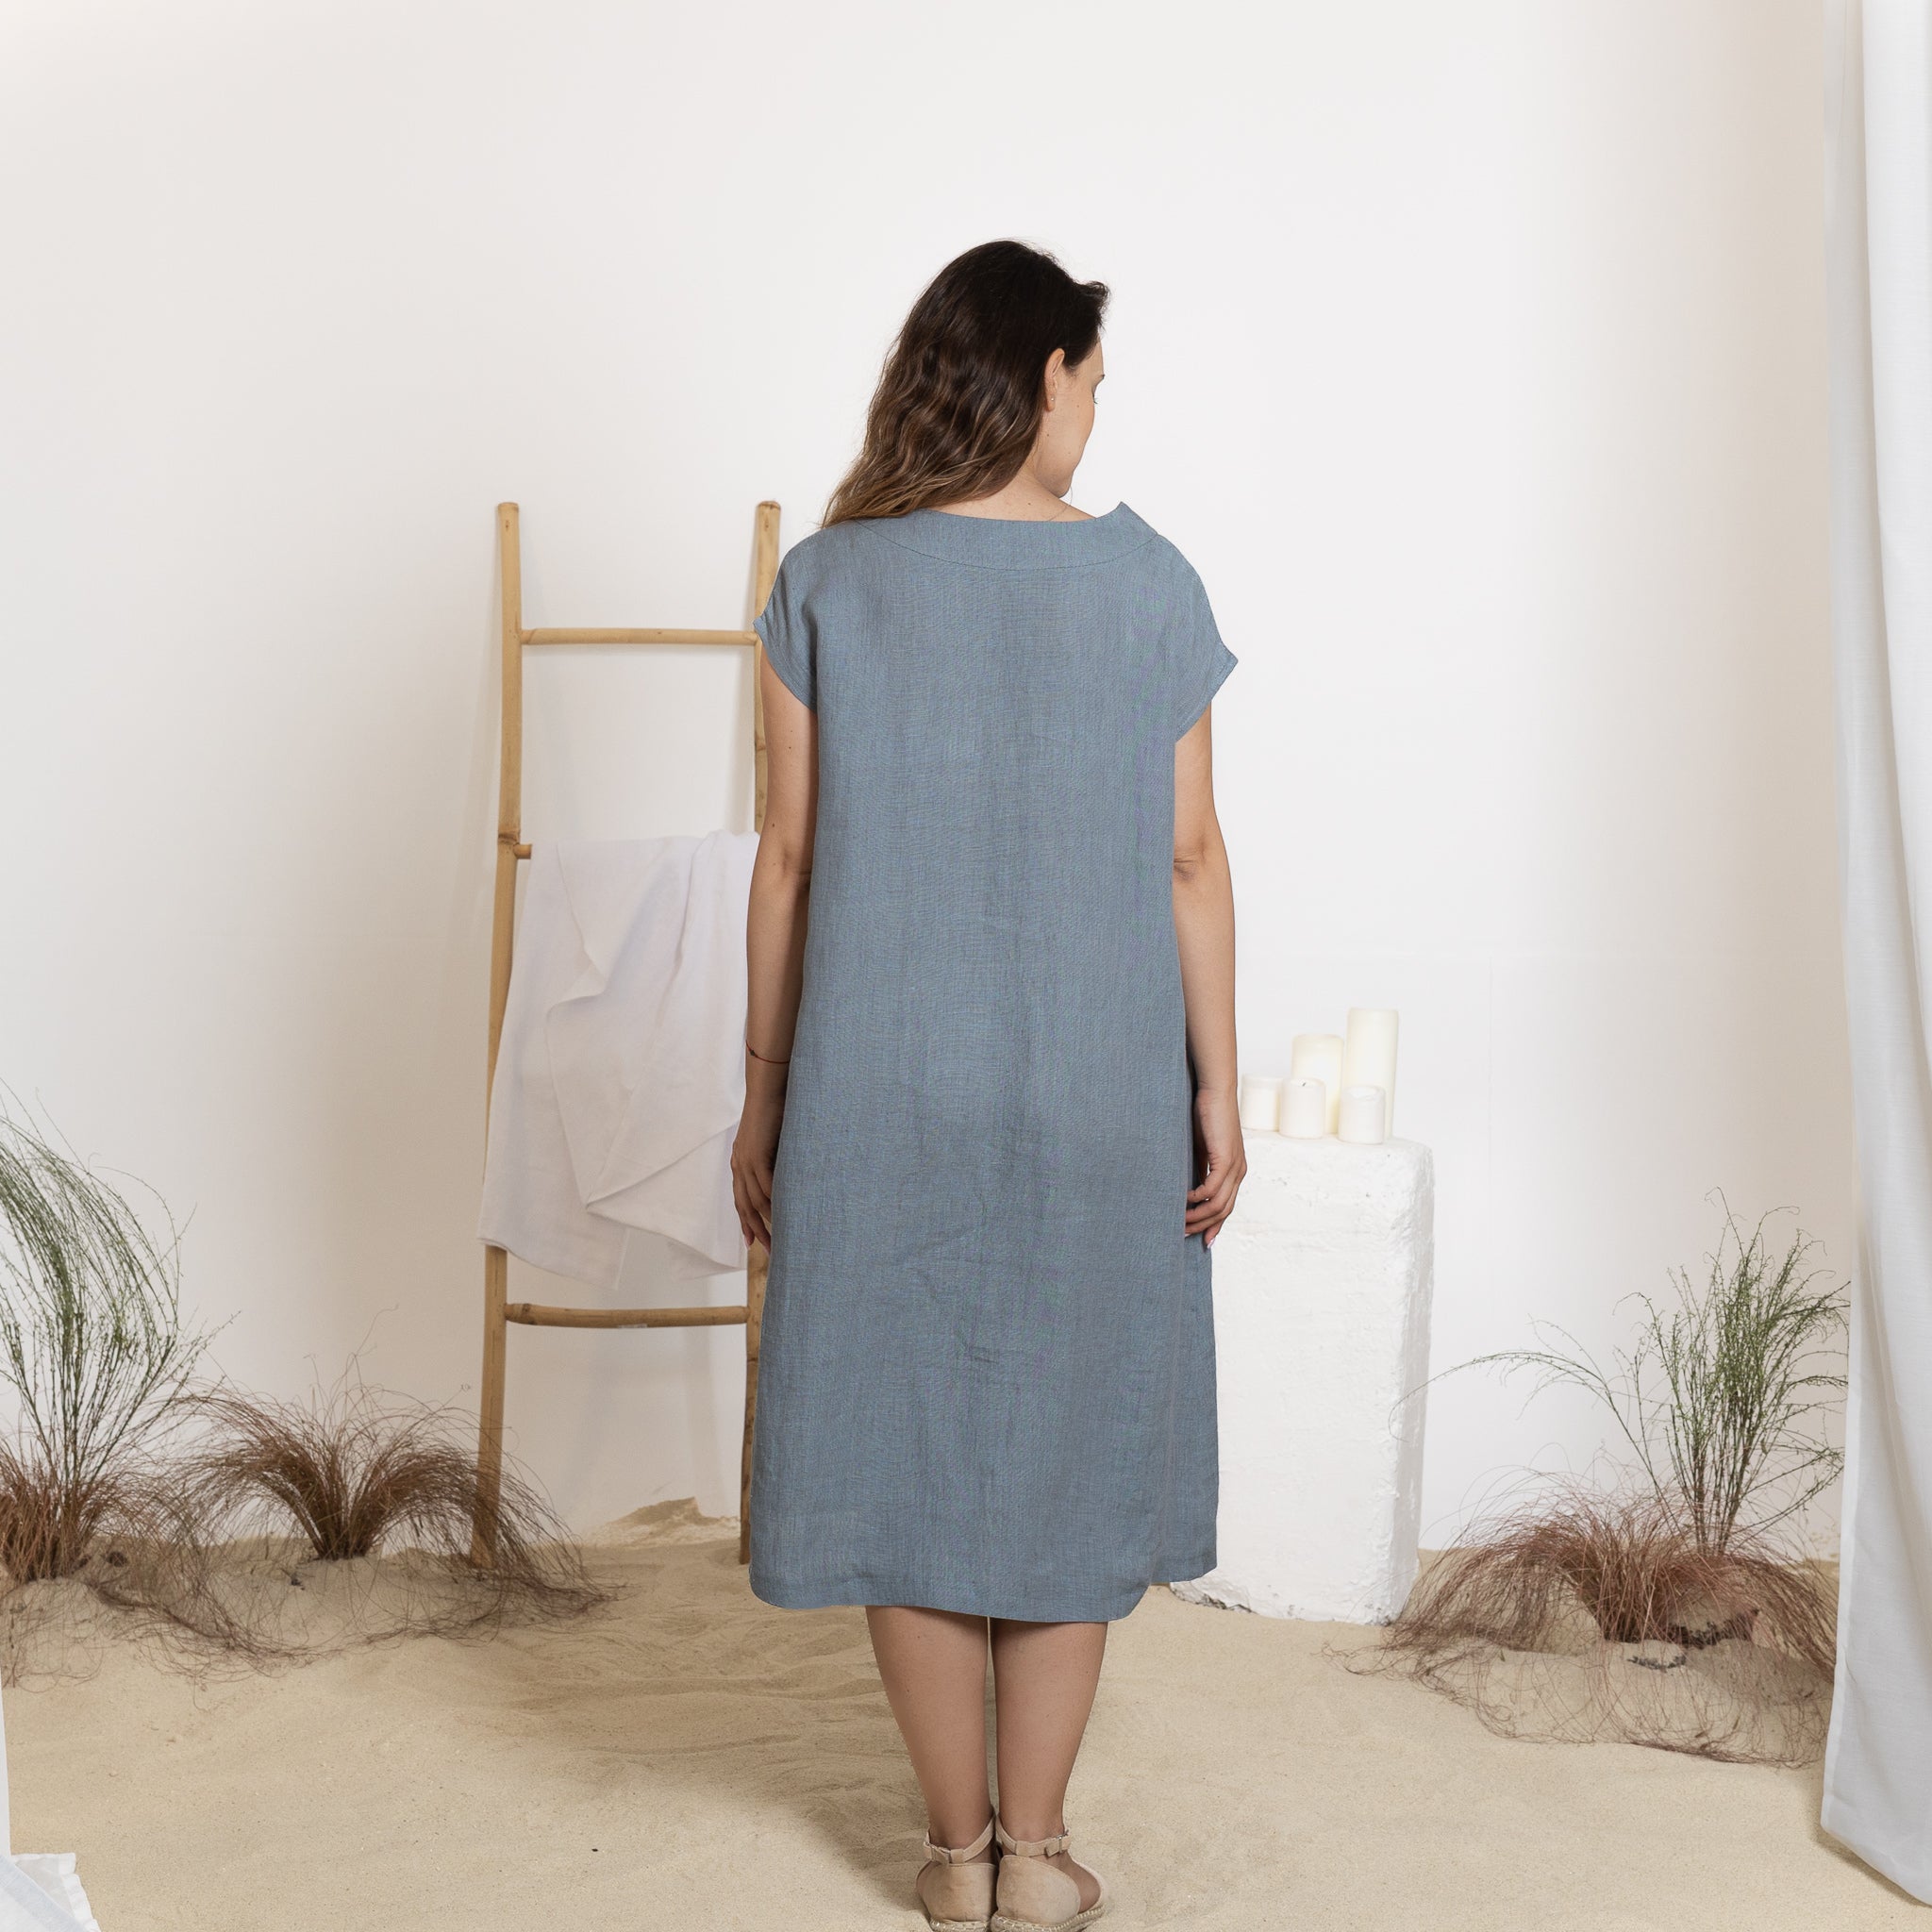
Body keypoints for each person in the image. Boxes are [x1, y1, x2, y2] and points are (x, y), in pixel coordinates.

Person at [731, 238, 1243, 1932]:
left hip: (877, 1097)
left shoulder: (828, 583)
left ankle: (953, 1859)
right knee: (1074, 1448)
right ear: (1040, 375)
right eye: (1090, 378)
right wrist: (1218, 1090)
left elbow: (788, 863)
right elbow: (1189, 859)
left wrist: (763, 1098)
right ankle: (1042, 1852)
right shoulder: (1151, 583)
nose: (1096, 411)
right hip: (1101, 1090)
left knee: (904, 1458)